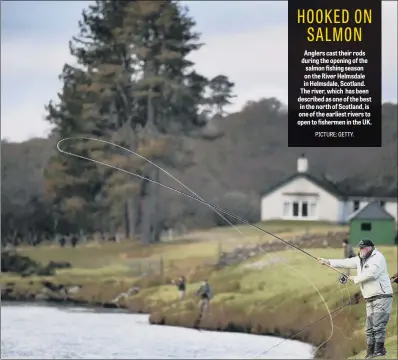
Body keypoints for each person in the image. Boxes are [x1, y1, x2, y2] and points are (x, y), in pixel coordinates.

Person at [318, 239, 393, 359]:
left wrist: (355, 278)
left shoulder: (378, 258)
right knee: (369, 328)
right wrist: (327, 261)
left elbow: (371, 274)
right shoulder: (359, 259)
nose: (360, 250)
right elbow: (345, 263)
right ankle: (370, 352)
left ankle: (379, 351)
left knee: (378, 325)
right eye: (360, 248)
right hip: (369, 297)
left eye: (363, 247)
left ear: (370, 248)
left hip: (382, 296)